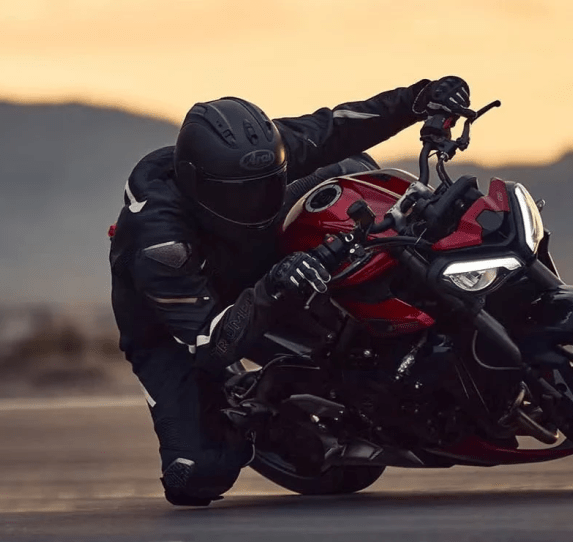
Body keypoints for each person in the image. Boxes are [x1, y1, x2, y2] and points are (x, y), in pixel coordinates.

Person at [108, 76, 471, 506]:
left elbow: (339, 126)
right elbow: (210, 343)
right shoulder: (159, 246)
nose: (260, 199)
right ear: (199, 186)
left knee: (347, 166)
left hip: (257, 261)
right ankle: (255, 412)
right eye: (245, 194)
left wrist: (419, 98)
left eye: (268, 182)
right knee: (196, 477)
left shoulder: (257, 159)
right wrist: (276, 284)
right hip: (181, 324)